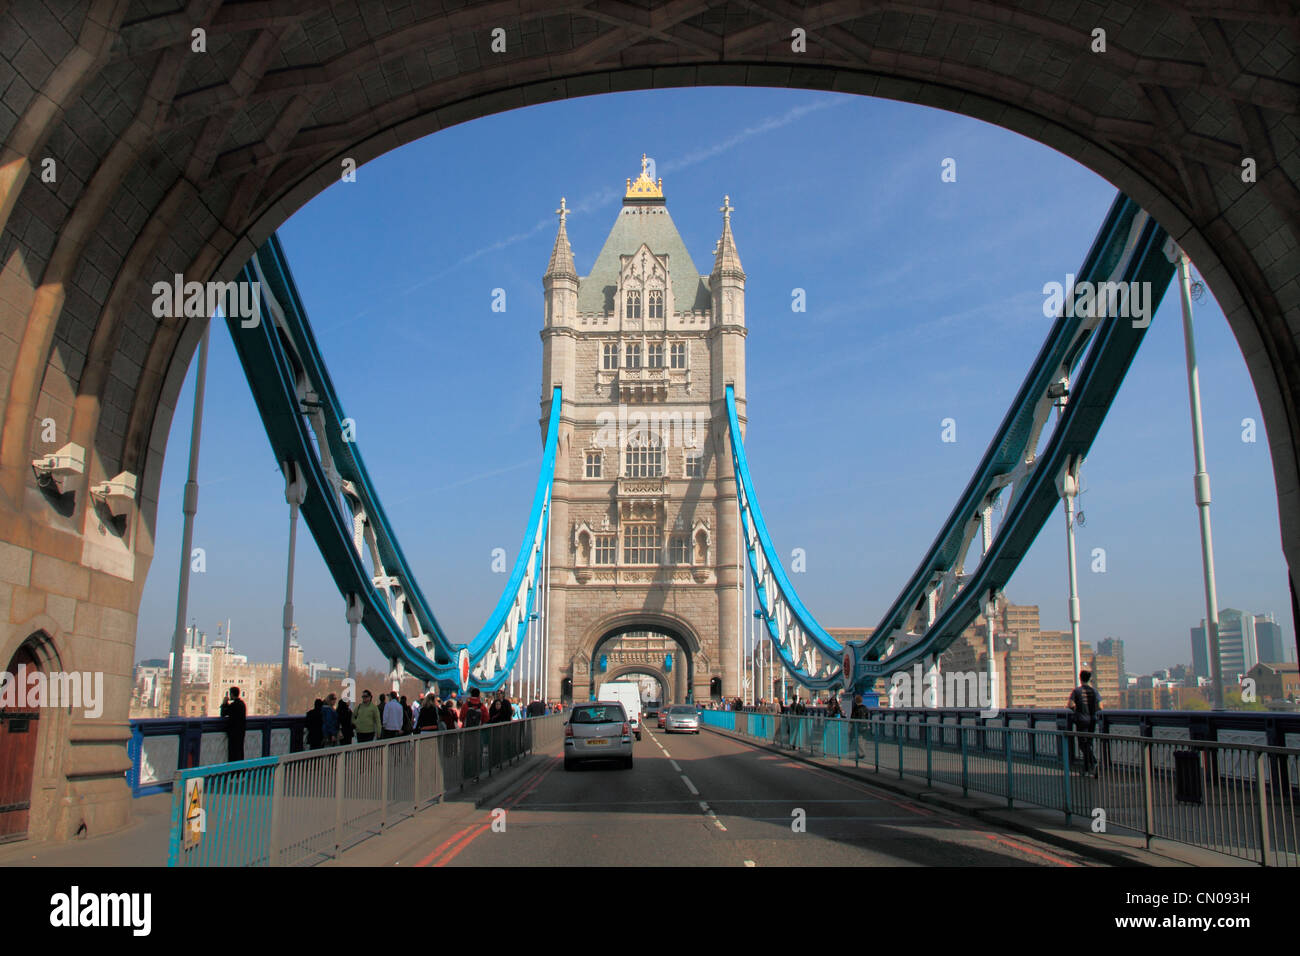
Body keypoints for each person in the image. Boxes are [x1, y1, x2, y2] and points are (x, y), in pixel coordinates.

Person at [1067, 669, 1101, 775]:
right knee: (1088, 744)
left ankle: (1094, 763)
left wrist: (1076, 710)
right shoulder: (1094, 691)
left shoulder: (1077, 691)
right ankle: (1086, 770)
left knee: (1083, 745)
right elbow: (1100, 706)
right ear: (1089, 679)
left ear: (1080, 678)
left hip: (1081, 720)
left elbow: (1071, 704)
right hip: (1092, 720)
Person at [220, 686, 246, 762]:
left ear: (232, 694)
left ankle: (233, 771)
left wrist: (224, 703)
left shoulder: (234, 705)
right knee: (240, 752)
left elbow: (223, 713)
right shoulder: (242, 704)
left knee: (233, 753)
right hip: (241, 732)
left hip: (233, 733)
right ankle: (239, 770)